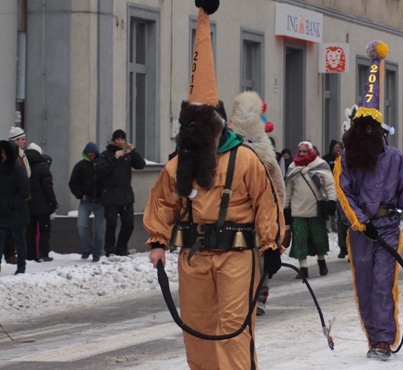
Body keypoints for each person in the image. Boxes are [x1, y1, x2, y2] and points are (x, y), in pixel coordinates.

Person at [145, 2, 284, 368]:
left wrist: (271, 245)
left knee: (234, 328)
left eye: (197, 128)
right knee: (198, 327)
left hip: (237, 256)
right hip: (193, 257)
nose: (190, 135)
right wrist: (158, 241)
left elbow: (266, 204)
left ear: (215, 126)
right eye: (186, 128)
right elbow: (162, 204)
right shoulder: (179, 165)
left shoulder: (246, 160)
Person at [334, 40, 403, 360]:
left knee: (384, 284)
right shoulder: (347, 158)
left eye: (372, 128)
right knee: (365, 286)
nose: (367, 133)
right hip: (361, 232)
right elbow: (344, 192)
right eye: (362, 128)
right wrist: (361, 222)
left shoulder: (395, 158)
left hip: (386, 228)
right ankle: (373, 336)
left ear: (379, 129)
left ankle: (384, 339)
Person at [228, 90, 285, 316]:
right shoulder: (229, 157)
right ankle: (243, 296)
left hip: (261, 217)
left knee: (261, 257)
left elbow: (278, 189)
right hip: (235, 217)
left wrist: (277, 215)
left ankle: (259, 295)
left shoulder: (266, 159)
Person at [284, 141, 336, 279]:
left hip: (316, 210)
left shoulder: (321, 165)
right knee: (300, 241)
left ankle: (321, 261)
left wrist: (332, 200)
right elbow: (288, 190)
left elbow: (330, 185)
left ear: (310, 151)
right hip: (298, 211)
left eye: (304, 151)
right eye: (299, 151)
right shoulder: (293, 167)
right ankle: (303, 268)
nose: (301, 154)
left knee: (318, 239)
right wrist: (285, 207)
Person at [97, 129, 146, 257]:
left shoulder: (128, 154)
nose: (120, 142)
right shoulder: (105, 155)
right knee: (111, 224)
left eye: (122, 140)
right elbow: (101, 171)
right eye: (117, 140)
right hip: (111, 196)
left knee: (129, 224)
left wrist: (133, 151)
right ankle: (110, 250)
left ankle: (121, 248)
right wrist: (115, 157)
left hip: (126, 197)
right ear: (113, 140)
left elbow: (141, 165)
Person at [69, 142, 106, 262]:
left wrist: (106, 194)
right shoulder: (80, 166)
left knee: (99, 229)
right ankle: (87, 248)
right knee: (81, 226)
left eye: (92, 152)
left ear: (96, 153)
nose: (90, 154)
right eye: (88, 152)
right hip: (86, 201)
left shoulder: (103, 165)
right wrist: (80, 194)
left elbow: (110, 180)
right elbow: (73, 183)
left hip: (101, 201)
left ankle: (96, 254)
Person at [0, 140, 30, 275]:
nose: (3, 154)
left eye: (6, 152)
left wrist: (11, 203)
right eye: (2, 152)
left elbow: (24, 191)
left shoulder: (17, 169)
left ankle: (21, 266)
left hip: (16, 211)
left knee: (19, 240)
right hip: (2, 211)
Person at [24, 143, 58, 262]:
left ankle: (30, 255)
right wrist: (53, 203)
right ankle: (43, 253)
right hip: (43, 205)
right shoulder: (43, 166)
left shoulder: (23, 165)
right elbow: (48, 187)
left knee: (30, 231)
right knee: (44, 229)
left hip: (27, 205)